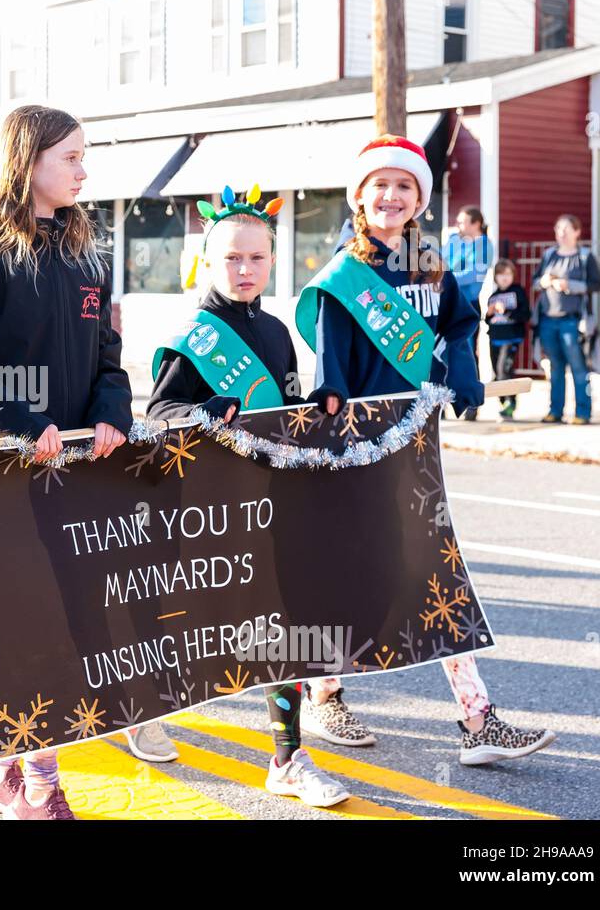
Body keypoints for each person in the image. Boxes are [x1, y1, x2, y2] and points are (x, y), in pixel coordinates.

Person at [294, 134, 555, 765]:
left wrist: (462, 372)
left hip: (415, 438)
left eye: (405, 186)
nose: (391, 195)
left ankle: (477, 719)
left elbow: (460, 322)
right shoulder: (345, 268)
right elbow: (329, 341)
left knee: (434, 571)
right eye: (380, 184)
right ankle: (322, 693)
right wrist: (330, 388)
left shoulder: (429, 260)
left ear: (420, 199)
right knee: (349, 571)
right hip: (357, 438)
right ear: (359, 195)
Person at [0, 105, 137, 820]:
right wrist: (22, 421)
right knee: (28, 630)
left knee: (62, 626)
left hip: (74, 477)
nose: (83, 169)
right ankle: (39, 780)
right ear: (27, 161)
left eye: (83, 157)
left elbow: (107, 358)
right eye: (71, 156)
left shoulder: (87, 257)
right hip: (0, 479)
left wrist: (112, 412)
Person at [147, 186, 349, 807]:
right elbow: (156, 416)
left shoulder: (277, 330)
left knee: (281, 624)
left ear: (271, 261)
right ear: (208, 262)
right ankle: (142, 715)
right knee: (180, 627)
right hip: (202, 512)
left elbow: (284, 411)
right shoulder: (193, 334)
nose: (244, 270)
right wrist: (199, 409)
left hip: (264, 505)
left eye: (256, 259)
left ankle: (286, 757)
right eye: (231, 258)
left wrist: (314, 407)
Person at [532, 214, 600, 425]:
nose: (561, 233)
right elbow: (535, 283)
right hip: (548, 320)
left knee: (579, 367)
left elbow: (596, 285)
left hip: (573, 322)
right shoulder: (549, 255)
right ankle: (555, 411)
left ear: (577, 232)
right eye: (558, 229)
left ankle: (583, 412)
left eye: (566, 229)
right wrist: (543, 282)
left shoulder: (585, 256)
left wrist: (569, 285)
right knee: (555, 368)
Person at [444, 206, 494, 420]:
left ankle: (471, 403)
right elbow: (439, 262)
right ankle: (441, 401)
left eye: (463, 222)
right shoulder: (454, 240)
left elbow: (473, 275)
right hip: (446, 301)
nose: (459, 225)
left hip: (468, 304)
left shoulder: (484, 245)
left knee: (467, 353)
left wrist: (445, 278)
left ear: (476, 223)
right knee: (439, 353)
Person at [484, 258, 529, 420]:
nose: (504, 278)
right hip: (495, 337)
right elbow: (489, 320)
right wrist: (489, 313)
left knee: (505, 369)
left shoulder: (517, 291)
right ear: (495, 276)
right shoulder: (493, 295)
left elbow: (525, 314)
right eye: (501, 274)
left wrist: (507, 311)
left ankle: (511, 402)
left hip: (511, 337)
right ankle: (503, 401)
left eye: (508, 274)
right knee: (497, 371)